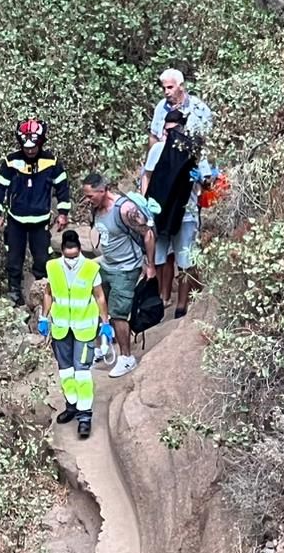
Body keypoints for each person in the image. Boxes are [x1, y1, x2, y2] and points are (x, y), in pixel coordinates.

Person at [80, 173, 157, 378]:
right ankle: (101, 347)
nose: (87, 200)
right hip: (107, 264)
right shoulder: (95, 210)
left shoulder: (125, 209)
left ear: (102, 190)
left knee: (118, 312)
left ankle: (126, 357)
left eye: (90, 196)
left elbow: (148, 234)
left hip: (126, 267)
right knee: (94, 301)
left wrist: (150, 265)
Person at [141, 109, 215, 317]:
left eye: (172, 131)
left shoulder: (192, 150)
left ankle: (178, 304)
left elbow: (207, 183)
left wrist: (201, 178)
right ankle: (164, 301)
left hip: (181, 213)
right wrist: (146, 202)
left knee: (182, 259)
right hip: (167, 212)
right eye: (167, 131)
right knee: (166, 258)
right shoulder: (161, 150)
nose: (170, 135)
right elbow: (148, 175)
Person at [38, 229, 112, 439]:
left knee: (82, 373)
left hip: (84, 329)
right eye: (67, 255)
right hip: (61, 328)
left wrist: (105, 323)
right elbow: (49, 293)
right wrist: (44, 317)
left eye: (75, 255)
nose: (71, 259)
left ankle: (85, 415)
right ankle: (71, 405)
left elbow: (99, 297)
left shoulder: (90, 268)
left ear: (79, 250)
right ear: (62, 251)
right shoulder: (53, 267)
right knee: (66, 372)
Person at [0, 119, 70, 306]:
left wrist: (63, 212)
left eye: (33, 147)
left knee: (42, 257)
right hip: (15, 219)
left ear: (41, 142)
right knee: (14, 257)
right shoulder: (11, 162)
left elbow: (62, 187)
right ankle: (14, 293)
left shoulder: (51, 162)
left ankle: (43, 292)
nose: (30, 150)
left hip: (40, 220)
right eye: (26, 147)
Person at [148, 68, 214, 166]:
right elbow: (153, 137)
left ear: (181, 86)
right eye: (164, 88)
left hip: (190, 163)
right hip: (164, 163)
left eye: (170, 87)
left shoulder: (198, 108)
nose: (166, 92)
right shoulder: (161, 107)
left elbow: (208, 141)